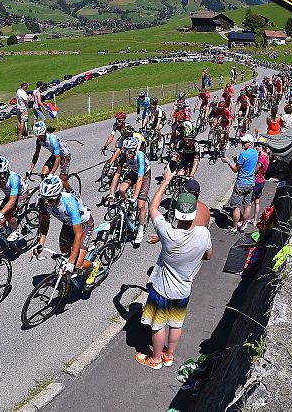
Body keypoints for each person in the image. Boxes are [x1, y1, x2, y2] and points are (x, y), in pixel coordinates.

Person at [136, 171, 212, 370]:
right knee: (176, 324)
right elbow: (208, 255)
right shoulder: (203, 234)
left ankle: (155, 360)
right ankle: (169, 356)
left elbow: (153, 207)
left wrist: (166, 181)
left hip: (163, 288)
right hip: (184, 288)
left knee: (158, 324)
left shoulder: (168, 233)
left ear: (176, 213)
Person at [33, 176, 98, 282]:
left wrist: (71, 264)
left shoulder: (69, 203)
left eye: (50, 199)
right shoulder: (44, 202)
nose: (46, 203)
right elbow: (45, 222)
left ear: (58, 195)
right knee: (65, 255)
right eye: (44, 198)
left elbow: (78, 235)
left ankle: (94, 266)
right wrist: (40, 243)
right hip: (68, 224)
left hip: (84, 224)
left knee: (77, 264)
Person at [108, 137, 151, 245]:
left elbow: (140, 179)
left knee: (141, 205)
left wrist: (135, 198)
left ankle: (140, 229)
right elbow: (117, 175)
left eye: (130, 151)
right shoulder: (124, 156)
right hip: (133, 172)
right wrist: (112, 194)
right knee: (122, 189)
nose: (128, 154)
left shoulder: (140, 156)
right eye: (126, 151)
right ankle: (129, 206)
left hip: (144, 175)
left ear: (135, 150)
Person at [221, 133, 258, 234]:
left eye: (244, 142)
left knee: (236, 207)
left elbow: (235, 169)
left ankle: (234, 227)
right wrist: (237, 160)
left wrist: (229, 162)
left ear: (250, 143)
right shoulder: (255, 153)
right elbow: (247, 164)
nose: (242, 144)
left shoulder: (243, 154)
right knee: (247, 205)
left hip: (241, 183)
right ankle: (243, 225)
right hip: (251, 183)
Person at [29, 121, 73, 192]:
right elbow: (36, 154)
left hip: (64, 155)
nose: (40, 138)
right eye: (37, 136)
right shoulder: (38, 141)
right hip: (55, 154)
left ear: (45, 132)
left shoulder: (52, 140)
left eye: (41, 136)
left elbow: (58, 159)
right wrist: (31, 169)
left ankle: (72, 195)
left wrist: (51, 173)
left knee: (63, 179)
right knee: (44, 175)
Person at [249, 136, 271, 226]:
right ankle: (254, 220)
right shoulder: (266, 156)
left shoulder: (261, 157)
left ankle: (244, 221)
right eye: (257, 145)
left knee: (248, 202)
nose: (257, 147)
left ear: (263, 147)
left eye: (259, 146)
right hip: (262, 181)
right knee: (257, 201)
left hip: (256, 181)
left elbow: (255, 170)